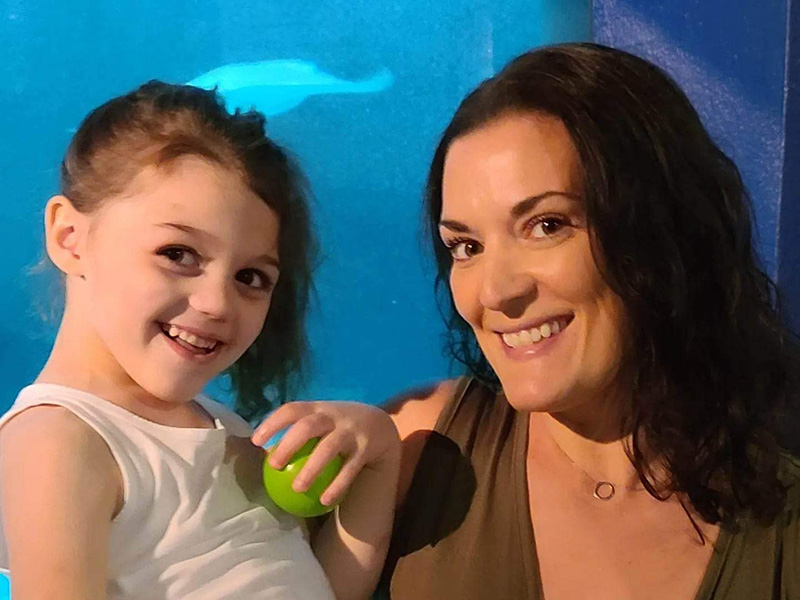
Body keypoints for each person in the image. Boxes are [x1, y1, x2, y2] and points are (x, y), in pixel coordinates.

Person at [380, 43, 800, 599]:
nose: (496, 291)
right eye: (466, 246)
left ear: (662, 230)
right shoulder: (412, 446)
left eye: (547, 224)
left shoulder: (783, 521)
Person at [0, 81, 399, 600]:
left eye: (251, 277)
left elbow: (329, 590)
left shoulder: (223, 431)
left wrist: (380, 452)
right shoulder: (57, 442)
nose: (217, 302)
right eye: (178, 253)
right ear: (70, 239)